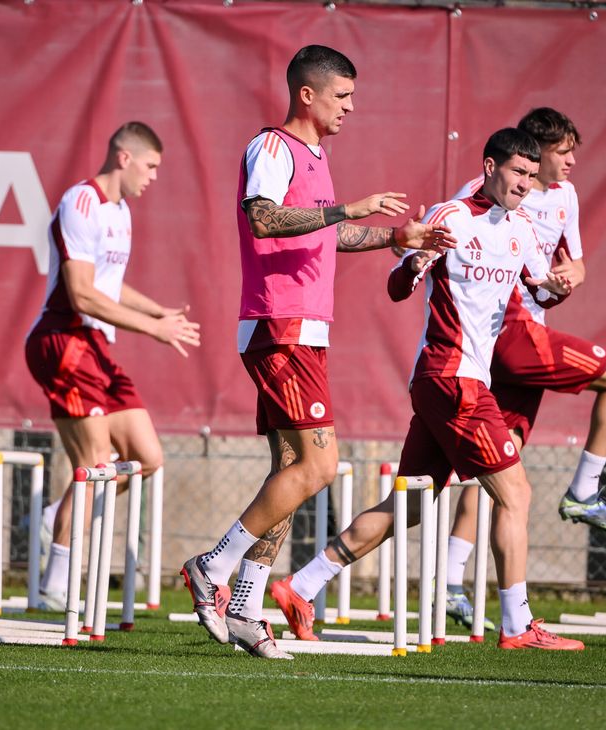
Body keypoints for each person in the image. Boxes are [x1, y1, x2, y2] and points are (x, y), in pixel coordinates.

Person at [181, 45, 455, 659]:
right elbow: (263, 218)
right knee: (320, 467)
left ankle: (246, 604)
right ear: (307, 94)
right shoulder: (271, 147)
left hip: (304, 329)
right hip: (279, 325)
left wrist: (393, 237)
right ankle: (213, 566)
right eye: (342, 96)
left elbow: (328, 233)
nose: (350, 107)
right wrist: (345, 208)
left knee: (292, 469)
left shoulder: (317, 155)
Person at [271, 128, 584, 651]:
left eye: (532, 176)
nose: (525, 184)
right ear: (490, 167)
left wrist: (558, 287)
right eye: (517, 172)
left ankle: (300, 587)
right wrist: (415, 262)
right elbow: (397, 286)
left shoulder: (523, 228)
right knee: (516, 493)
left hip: (456, 382)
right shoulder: (451, 216)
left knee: (411, 504)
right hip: (451, 378)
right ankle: (517, 625)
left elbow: (539, 292)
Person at [438, 108, 606, 629]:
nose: (570, 161)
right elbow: (454, 249)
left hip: (520, 332)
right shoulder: (485, 193)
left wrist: (571, 277)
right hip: (510, 333)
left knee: (500, 467)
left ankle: (450, 583)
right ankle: (583, 491)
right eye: (562, 152)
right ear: (533, 150)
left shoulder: (566, 196)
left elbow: (576, 263)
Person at [25, 122, 200, 610]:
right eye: (151, 166)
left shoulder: (122, 212)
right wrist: (153, 330)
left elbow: (109, 284)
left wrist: (158, 313)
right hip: (64, 339)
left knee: (147, 457)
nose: (154, 177)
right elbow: (82, 294)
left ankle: (54, 517)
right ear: (124, 158)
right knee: (95, 463)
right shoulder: (81, 202)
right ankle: (56, 583)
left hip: (97, 346)